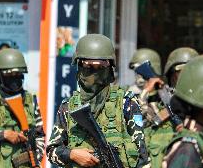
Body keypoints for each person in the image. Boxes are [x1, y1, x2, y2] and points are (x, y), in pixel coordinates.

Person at [46, 34, 149, 168]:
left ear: (110, 67)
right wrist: (72, 154)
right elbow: (51, 151)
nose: (94, 71)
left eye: (100, 65)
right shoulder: (68, 107)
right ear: (79, 67)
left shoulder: (126, 102)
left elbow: (142, 155)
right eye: (88, 66)